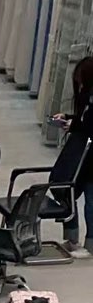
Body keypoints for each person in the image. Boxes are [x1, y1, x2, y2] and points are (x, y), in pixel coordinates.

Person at [53, 56, 93, 256]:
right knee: (65, 191)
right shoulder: (86, 96)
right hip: (80, 153)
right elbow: (85, 119)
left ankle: (89, 243)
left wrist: (75, 125)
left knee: (91, 201)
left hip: (88, 156)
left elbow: (89, 124)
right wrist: (69, 118)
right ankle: (72, 238)